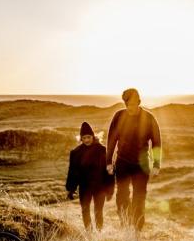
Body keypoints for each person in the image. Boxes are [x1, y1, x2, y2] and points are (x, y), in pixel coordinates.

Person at [105, 88, 162, 231]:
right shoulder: (119, 116)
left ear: (139, 102)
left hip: (141, 165)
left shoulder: (149, 118)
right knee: (122, 197)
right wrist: (108, 162)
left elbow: (156, 142)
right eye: (127, 105)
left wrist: (156, 164)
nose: (130, 108)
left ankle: (136, 230)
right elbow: (111, 140)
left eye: (132, 104)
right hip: (122, 162)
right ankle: (125, 225)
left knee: (139, 198)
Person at [66, 122, 114, 231]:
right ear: (81, 139)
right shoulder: (76, 153)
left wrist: (110, 190)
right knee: (85, 210)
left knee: (98, 211)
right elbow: (73, 171)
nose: (87, 140)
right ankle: (89, 232)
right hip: (84, 187)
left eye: (88, 137)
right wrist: (70, 189)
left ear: (93, 136)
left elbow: (109, 171)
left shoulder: (103, 150)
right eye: (84, 138)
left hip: (100, 187)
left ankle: (99, 232)